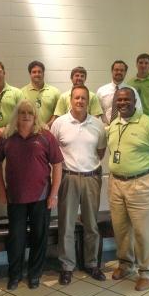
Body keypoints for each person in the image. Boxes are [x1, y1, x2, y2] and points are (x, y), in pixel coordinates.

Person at [0, 100, 63, 290]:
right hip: (15, 197)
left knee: (39, 236)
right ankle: (14, 275)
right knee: (16, 238)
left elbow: (57, 165)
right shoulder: (7, 136)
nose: (25, 115)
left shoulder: (46, 136)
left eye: (29, 112)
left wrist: (53, 194)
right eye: (22, 112)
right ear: (16, 115)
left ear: (35, 116)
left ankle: (34, 274)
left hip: (41, 197)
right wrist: (0, 188)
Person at [107, 87, 149, 291]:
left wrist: (146, 177)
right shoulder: (114, 124)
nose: (122, 103)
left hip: (141, 183)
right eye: (119, 99)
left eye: (127, 99)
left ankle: (148, 272)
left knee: (145, 231)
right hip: (116, 183)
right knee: (121, 229)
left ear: (135, 101)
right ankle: (126, 264)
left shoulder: (148, 124)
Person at [51, 85, 107, 285]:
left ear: (88, 101)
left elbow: (101, 152)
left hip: (92, 177)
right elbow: (54, 155)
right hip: (68, 178)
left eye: (83, 98)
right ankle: (67, 266)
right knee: (66, 224)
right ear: (70, 100)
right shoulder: (59, 124)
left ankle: (92, 264)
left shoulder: (98, 125)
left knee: (91, 224)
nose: (80, 101)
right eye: (76, 98)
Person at [96, 60, 142, 125]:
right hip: (105, 127)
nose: (119, 72)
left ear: (125, 72)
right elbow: (96, 112)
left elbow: (138, 111)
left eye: (122, 70)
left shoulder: (132, 91)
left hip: (125, 126)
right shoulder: (101, 91)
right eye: (116, 70)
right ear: (112, 71)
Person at [21, 60, 61, 127]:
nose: (37, 74)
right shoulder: (21, 92)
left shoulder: (55, 92)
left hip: (49, 131)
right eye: (34, 72)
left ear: (43, 73)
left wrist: (47, 126)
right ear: (30, 74)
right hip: (29, 132)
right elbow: (21, 114)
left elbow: (57, 113)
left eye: (39, 72)